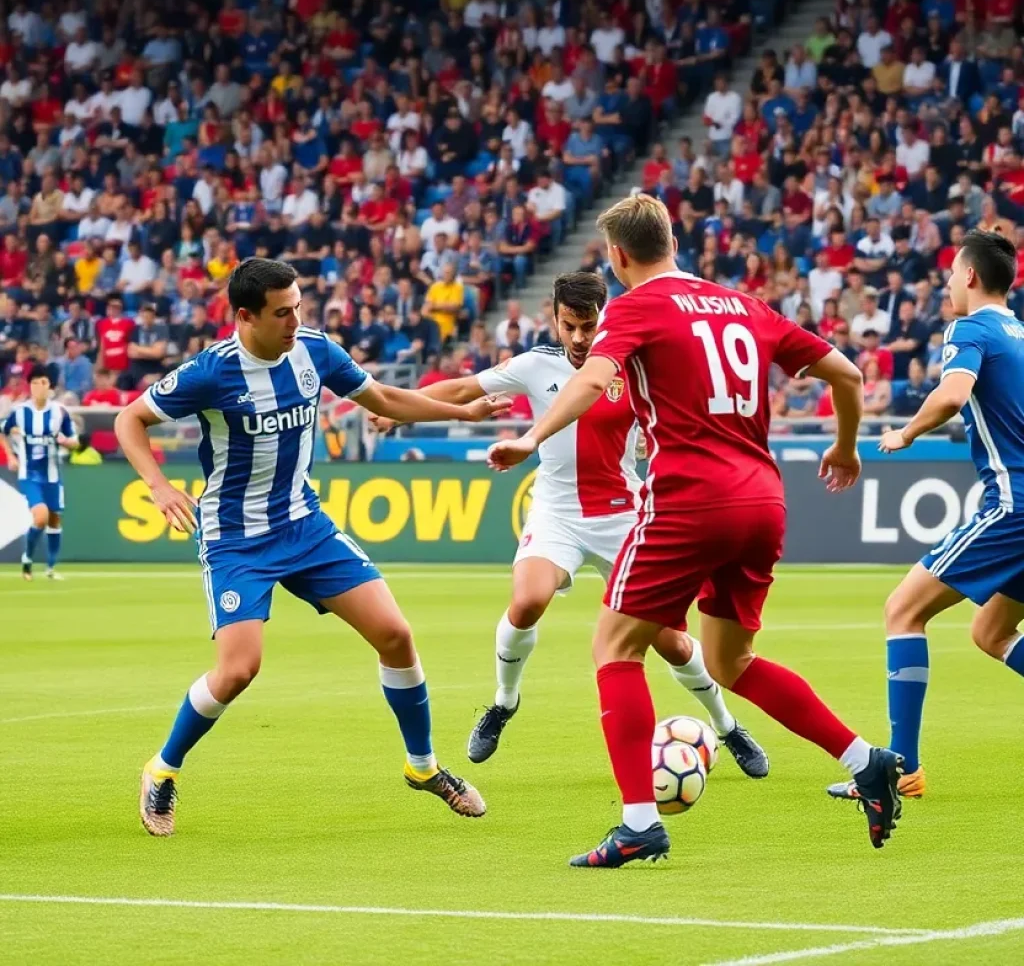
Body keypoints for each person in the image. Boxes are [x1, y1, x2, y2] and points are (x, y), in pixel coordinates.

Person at [487, 194, 903, 867]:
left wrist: (530, 437)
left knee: (616, 649)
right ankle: (866, 759)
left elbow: (594, 380)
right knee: (732, 661)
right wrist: (847, 447)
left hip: (690, 497)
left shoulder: (634, 306)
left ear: (619, 258)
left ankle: (639, 825)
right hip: (764, 499)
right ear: (673, 240)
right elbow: (848, 374)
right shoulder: (747, 305)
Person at [115, 258, 512, 837]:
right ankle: (161, 768)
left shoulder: (315, 352)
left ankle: (423, 768)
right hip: (237, 539)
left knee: (396, 635)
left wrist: (462, 410)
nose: (295, 321)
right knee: (238, 669)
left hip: (306, 526)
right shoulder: (211, 371)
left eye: (299, 306)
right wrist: (158, 484)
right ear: (245, 316)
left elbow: (383, 399)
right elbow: (131, 419)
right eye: (282, 312)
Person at [369, 272, 767, 776]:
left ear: (605, 318)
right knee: (527, 601)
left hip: (625, 516)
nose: (579, 338)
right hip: (557, 512)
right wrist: (394, 409)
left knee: (669, 638)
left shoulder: (632, 363)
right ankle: (503, 703)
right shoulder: (537, 365)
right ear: (555, 320)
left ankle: (728, 726)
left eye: (589, 326)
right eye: (569, 326)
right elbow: (464, 386)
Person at [828, 231, 1024, 805]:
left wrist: (907, 431)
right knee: (991, 632)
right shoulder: (1021, 333)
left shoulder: (971, 328)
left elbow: (954, 393)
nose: (945, 284)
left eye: (951, 274)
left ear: (968, 276)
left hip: (1012, 505)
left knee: (902, 610)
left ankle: (901, 768)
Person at [0, 365, 77, 579]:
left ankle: (51, 568)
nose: (38, 387)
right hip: (29, 475)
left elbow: (74, 441)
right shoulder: (20, 411)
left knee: (54, 520)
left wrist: (65, 441)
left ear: (49, 386)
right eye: (34, 383)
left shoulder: (59, 412)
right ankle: (27, 558)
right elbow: (2, 430)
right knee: (40, 516)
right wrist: (11, 456)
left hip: (53, 475)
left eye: (42, 382)